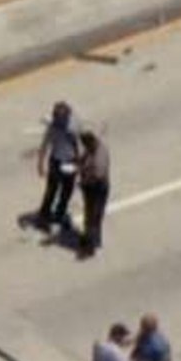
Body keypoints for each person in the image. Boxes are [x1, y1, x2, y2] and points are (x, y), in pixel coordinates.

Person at [34, 101, 81, 231]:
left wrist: (79, 163)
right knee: (51, 191)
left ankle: (60, 213)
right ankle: (44, 215)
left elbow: (79, 144)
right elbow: (44, 146)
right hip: (56, 161)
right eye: (58, 118)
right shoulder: (52, 128)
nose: (60, 121)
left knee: (67, 191)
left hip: (70, 161)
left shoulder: (73, 127)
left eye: (62, 118)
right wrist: (40, 164)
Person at [76, 128, 111, 258]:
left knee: (94, 217)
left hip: (98, 189)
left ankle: (90, 246)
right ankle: (90, 238)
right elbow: (85, 157)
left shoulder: (100, 156)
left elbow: (98, 175)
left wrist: (84, 180)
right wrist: (79, 162)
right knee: (88, 213)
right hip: (89, 187)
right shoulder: (91, 148)